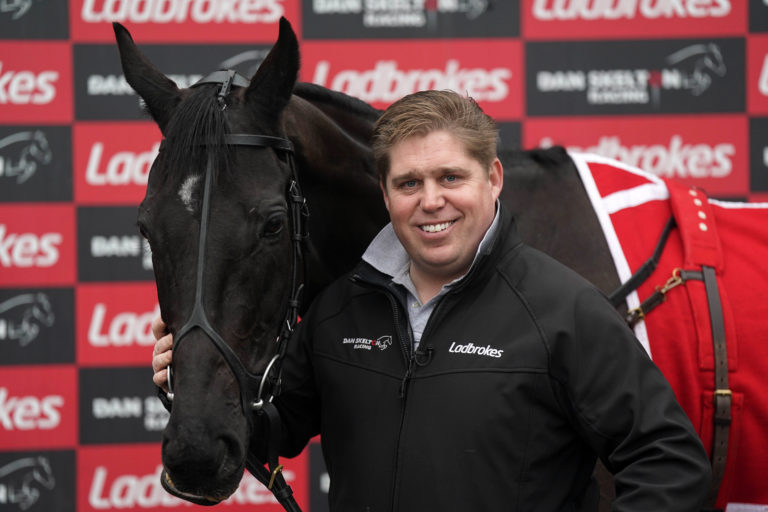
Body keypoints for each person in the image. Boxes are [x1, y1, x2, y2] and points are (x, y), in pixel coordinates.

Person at [152, 90, 711, 511]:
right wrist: (198, 390)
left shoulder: (565, 311)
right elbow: (273, 428)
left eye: (450, 177)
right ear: (385, 192)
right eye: (409, 183)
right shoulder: (336, 311)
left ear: (493, 178)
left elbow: (671, 463)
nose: (432, 202)